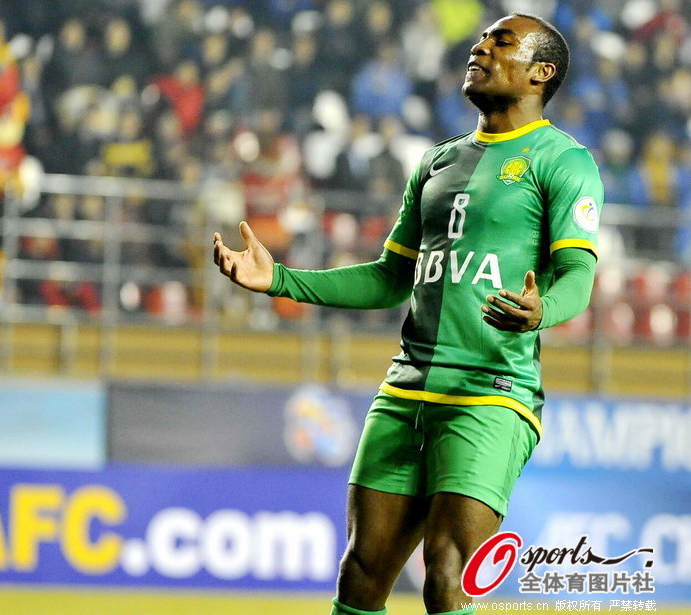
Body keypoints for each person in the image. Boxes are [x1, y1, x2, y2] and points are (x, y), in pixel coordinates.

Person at [212, 14, 602, 615]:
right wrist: (281, 280)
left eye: (501, 43)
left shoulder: (564, 161)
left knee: (448, 571)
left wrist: (542, 309)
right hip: (406, 390)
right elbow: (390, 277)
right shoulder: (436, 162)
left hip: (489, 394)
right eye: (481, 40)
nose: (480, 47)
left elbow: (578, 277)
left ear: (541, 72)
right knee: (362, 572)